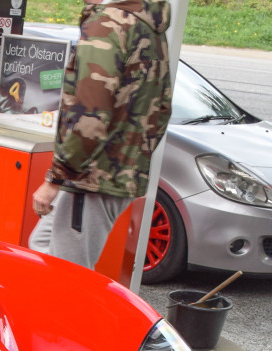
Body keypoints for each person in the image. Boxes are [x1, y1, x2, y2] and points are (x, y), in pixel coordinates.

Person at [29, 0, 173, 271]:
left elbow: (90, 117)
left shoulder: (108, 24)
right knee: (41, 248)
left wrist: (55, 179)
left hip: (91, 175)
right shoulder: (146, 23)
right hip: (113, 171)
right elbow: (162, 109)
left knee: (68, 278)